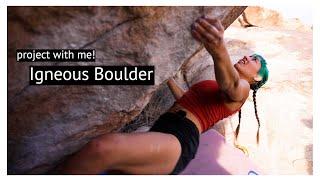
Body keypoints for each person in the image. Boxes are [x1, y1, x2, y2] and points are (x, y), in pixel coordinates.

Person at [56, 16, 269, 175]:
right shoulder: (214, 85)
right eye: (248, 55)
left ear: (257, 78)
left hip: (180, 139)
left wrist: (218, 49)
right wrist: (166, 78)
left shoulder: (241, 91)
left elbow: (231, 84)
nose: (246, 58)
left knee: (102, 149)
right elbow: (186, 100)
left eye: (253, 60)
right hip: (164, 127)